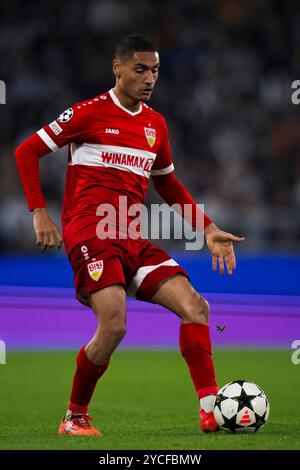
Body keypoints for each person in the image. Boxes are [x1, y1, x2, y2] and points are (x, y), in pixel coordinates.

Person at [15, 34, 245, 436]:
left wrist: (207, 228)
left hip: (133, 237)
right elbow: (26, 151)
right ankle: (74, 417)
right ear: (117, 68)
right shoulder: (88, 113)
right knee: (115, 324)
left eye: (154, 70)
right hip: (91, 231)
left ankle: (210, 412)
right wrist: (39, 213)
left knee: (197, 307)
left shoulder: (155, 125)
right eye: (140, 69)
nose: (149, 77)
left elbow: (168, 185)